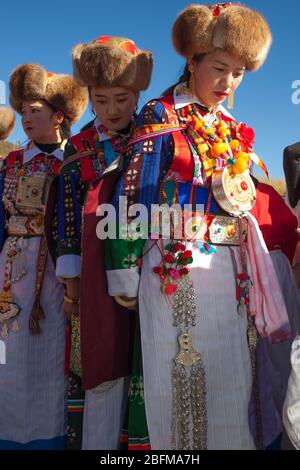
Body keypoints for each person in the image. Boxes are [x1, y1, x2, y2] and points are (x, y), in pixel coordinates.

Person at [105, 3, 292, 450]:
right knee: (183, 375)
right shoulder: (160, 114)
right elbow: (134, 193)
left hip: (231, 270)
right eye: (220, 68)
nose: (228, 83)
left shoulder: (230, 127)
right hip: (175, 269)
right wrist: (124, 267)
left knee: (236, 375)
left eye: (240, 74)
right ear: (193, 61)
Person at [46, 36, 153, 449]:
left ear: (137, 94)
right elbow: (68, 216)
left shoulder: (154, 136)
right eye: (102, 100)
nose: (111, 111)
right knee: (102, 355)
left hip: (149, 266)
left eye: (122, 99)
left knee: (144, 355)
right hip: (91, 275)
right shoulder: (79, 146)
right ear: (89, 96)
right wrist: (71, 284)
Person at [0, 64, 87, 449]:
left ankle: (49, 438)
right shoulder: (11, 162)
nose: (27, 116)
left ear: (59, 117)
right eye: (25, 110)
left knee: (53, 353)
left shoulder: (75, 163)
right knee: (9, 355)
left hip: (57, 270)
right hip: (10, 267)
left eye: (36, 109)